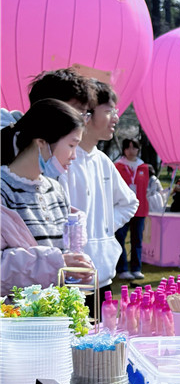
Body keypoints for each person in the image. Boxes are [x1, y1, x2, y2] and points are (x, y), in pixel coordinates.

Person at [48, 81, 137, 311]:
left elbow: (129, 203)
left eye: (115, 111)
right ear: (86, 114)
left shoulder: (103, 161)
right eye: (108, 111)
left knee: (99, 329)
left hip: (103, 275)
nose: (115, 118)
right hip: (68, 277)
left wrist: (104, 228)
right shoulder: (62, 160)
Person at [0, 100, 93, 292]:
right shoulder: (3, 190)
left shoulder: (56, 190)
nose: (74, 156)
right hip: (14, 310)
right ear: (41, 142)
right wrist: (58, 264)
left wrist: (75, 266)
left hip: (56, 307)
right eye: (71, 145)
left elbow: (64, 251)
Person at [114, 138, 149, 280]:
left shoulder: (144, 167)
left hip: (140, 209)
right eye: (127, 147)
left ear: (138, 149)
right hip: (121, 209)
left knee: (137, 240)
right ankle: (122, 269)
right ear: (123, 150)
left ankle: (136, 268)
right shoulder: (117, 166)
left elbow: (146, 188)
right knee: (119, 238)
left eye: (134, 147)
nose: (131, 151)